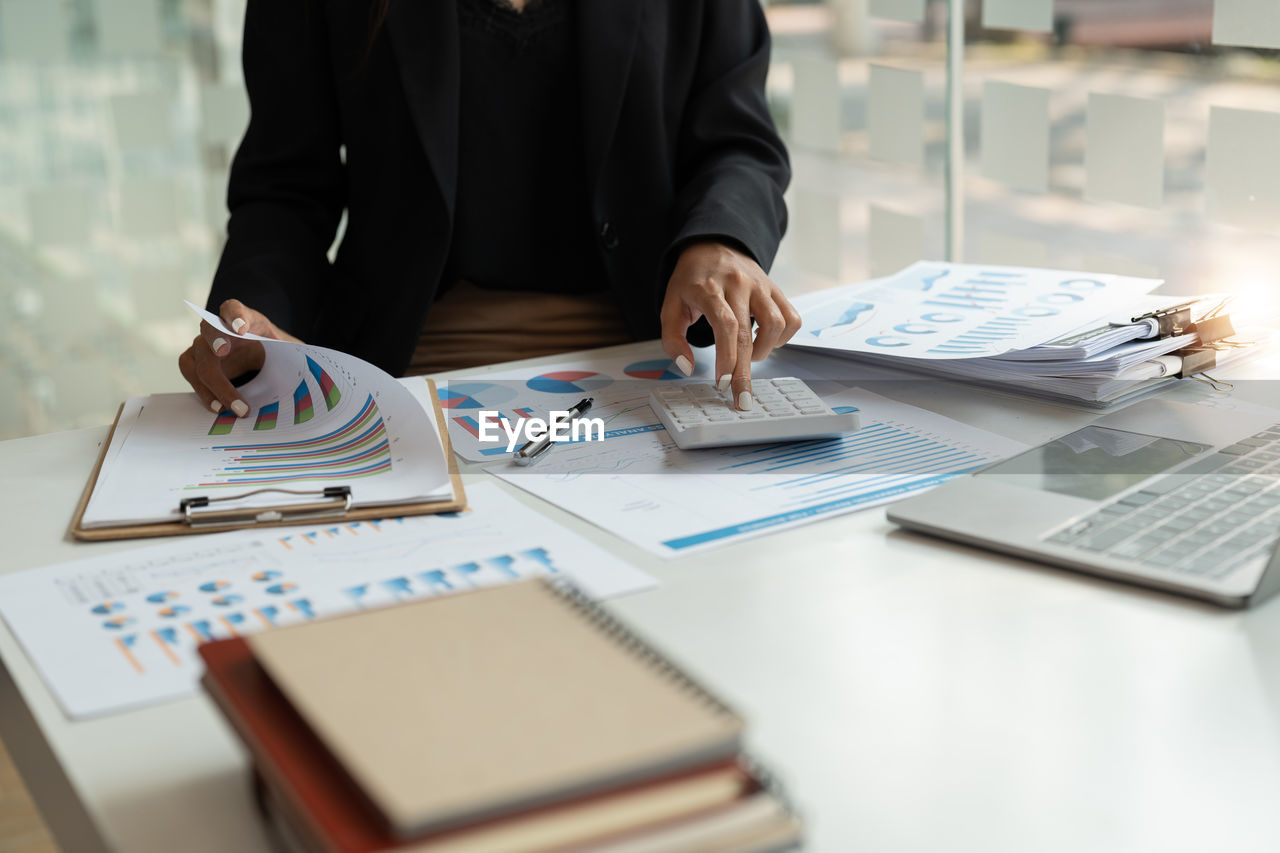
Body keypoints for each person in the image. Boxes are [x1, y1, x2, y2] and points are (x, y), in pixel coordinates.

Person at [179, 0, 798, 417]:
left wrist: (721, 241)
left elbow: (737, 142)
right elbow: (285, 187)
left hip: (651, 359)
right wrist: (251, 319)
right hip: (411, 371)